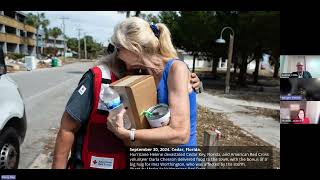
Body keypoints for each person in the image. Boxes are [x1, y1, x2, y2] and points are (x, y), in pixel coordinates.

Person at [51, 49, 202, 169]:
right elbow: (67, 128)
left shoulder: (146, 77)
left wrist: (193, 82)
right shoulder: (98, 77)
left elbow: (174, 93)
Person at [106, 17, 198, 169]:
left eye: (118, 48)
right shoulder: (143, 74)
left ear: (133, 47)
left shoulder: (176, 69)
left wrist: (128, 134)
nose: (117, 53)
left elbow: (180, 134)